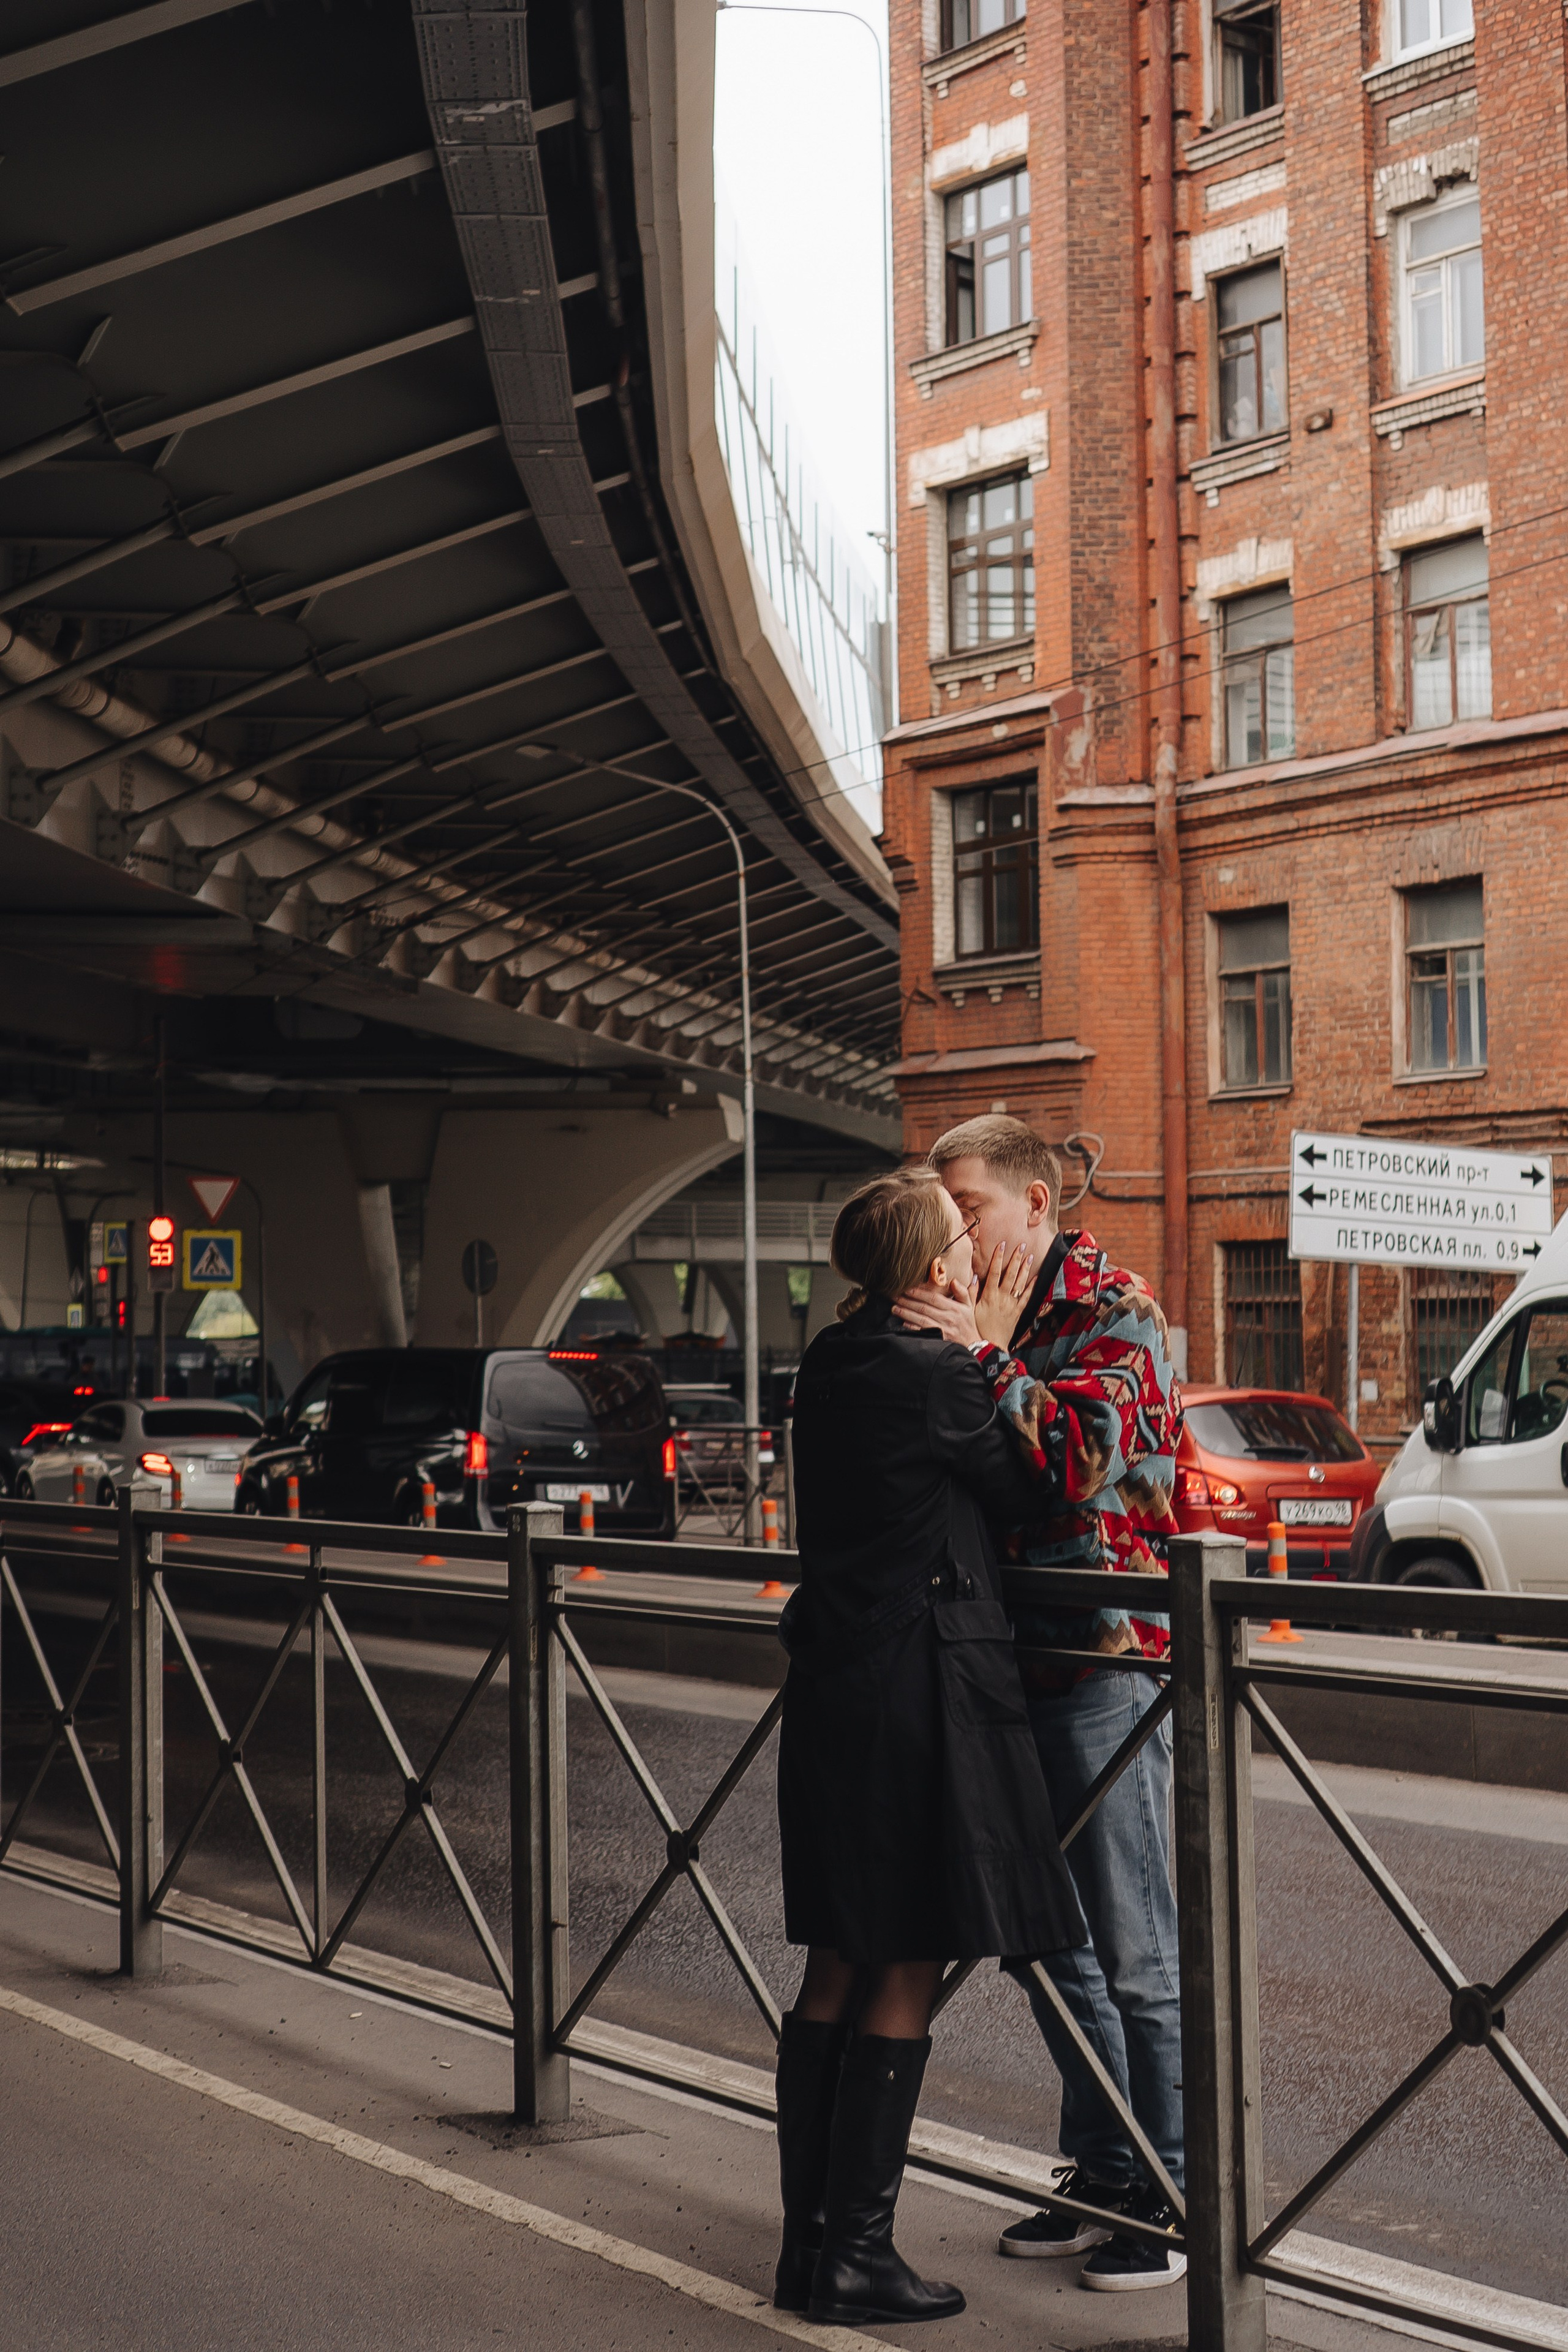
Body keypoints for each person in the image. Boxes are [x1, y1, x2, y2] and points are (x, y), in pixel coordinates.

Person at [774, 1167, 1085, 2328]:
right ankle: (856, 2256)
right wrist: (994, 1351)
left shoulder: (834, 1362)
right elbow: (1032, 1483)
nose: (972, 1247)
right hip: (916, 1693)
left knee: (835, 1965)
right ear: (932, 1267)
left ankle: (811, 2248)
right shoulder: (934, 1373)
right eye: (958, 1235)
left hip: (838, 1688)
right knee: (903, 1961)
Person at [895, 1115, 1186, 2293]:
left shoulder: (1122, 1313)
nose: (950, 1227)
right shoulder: (975, 1311)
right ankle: (1104, 2167)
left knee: (1134, 1949)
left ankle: (1167, 2200)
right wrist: (974, 1347)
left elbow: (1068, 1464)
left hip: (1102, 1663)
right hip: (998, 1661)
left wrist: (984, 1350)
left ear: (1036, 1204)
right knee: (1042, 1940)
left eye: (966, 1203)